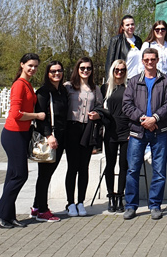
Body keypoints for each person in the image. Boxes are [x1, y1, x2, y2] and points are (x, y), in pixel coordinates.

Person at [0, 53, 45, 229]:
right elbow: (16, 114)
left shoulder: (27, 84)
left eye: (36, 66)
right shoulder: (19, 85)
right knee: (21, 175)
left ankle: (8, 215)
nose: (33, 69)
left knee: (12, 177)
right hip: (13, 135)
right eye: (30, 65)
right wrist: (37, 115)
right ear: (22, 65)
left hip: (23, 134)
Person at [123, 48, 167, 221]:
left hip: (159, 131)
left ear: (157, 60)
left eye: (152, 59)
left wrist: (155, 118)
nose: (150, 62)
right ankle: (131, 206)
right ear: (142, 61)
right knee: (132, 170)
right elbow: (127, 105)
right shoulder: (133, 82)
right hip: (138, 131)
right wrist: (143, 119)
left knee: (159, 171)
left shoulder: (165, 80)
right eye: (146, 60)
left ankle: (155, 205)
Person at [63, 57, 102, 217]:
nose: (85, 71)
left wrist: (97, 114)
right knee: (72, 167)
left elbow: (100, 107)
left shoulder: (95, 88)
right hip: (72, 128)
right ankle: (70, 202)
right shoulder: (68, 86)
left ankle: (80, 202)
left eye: (88, 68)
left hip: (87, 129)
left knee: (83, 167)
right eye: (82, 68)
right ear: (77, 69)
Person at [30, 60, 68, 223]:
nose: (56, 74)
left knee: (47, 174)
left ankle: (36, 207)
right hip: (50, 138)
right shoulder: (43, 92)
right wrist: (49, 136)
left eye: (59, 71)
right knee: (44, 175)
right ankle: (43, 211)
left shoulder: (63, 91)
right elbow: (40, 117)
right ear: (47, 73)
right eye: (53, 71)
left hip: (61, 137)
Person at [99, 60, 130, 213]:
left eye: (122, 70)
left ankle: (120, 196)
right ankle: (111, 196)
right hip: (110, 130)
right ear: (112, 71)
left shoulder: (129, 87)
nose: (119, 72)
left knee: (124, 165)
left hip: (126, 131)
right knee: (110, 164)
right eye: (117, 70)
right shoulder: (105, 88)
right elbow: (98, 107)